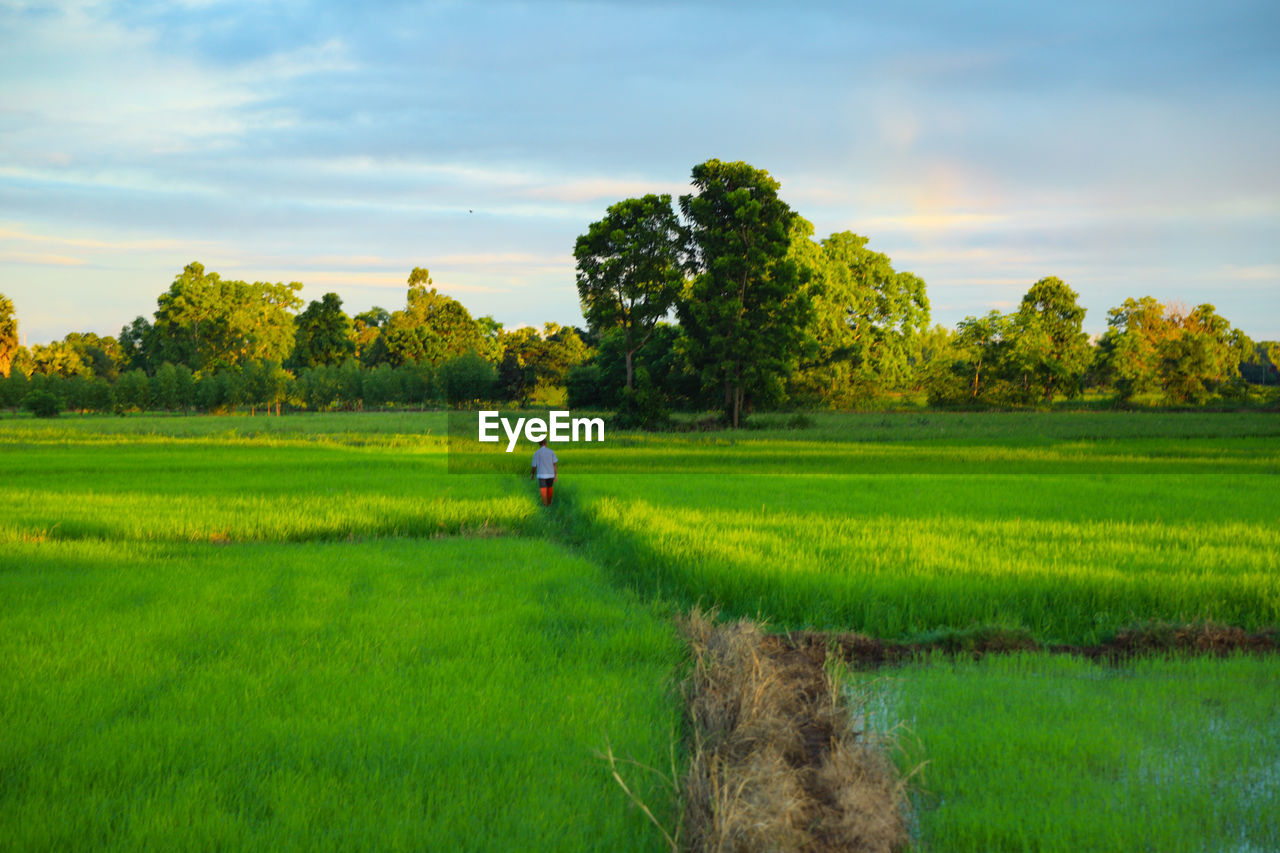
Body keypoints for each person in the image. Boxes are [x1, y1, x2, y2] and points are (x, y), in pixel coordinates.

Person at [530, 438, 558, 506]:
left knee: (543, 490)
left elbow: (534, 466)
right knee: (550, 489)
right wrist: (556, 475)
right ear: (546, 443)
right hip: (551, 475)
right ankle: (549, 503)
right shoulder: (551, 452)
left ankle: (545, 505)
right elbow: (554, 465)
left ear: (539, 444)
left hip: (541, 475)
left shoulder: (536, 453)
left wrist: (532, 474)